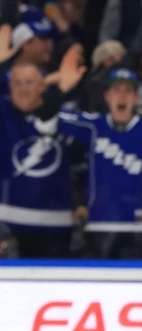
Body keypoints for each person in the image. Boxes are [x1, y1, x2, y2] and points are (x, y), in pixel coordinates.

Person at [50, 57, 142, 259]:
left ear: (136, 98)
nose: (122, 96)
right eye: (116, 90)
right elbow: (45, 124)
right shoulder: (92, 126)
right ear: (107, 96)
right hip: (98, 225)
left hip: (141, 227)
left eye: (128, 91)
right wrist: (61, 89)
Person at [0, 51, 87, 258]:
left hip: (55, 225)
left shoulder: (67, 119)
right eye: (16, 83)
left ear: (43, 85)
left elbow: (83, 166)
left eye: (29, 82)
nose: (22, 89)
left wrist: (83, 202)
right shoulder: (3, 113)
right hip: (8, 225)